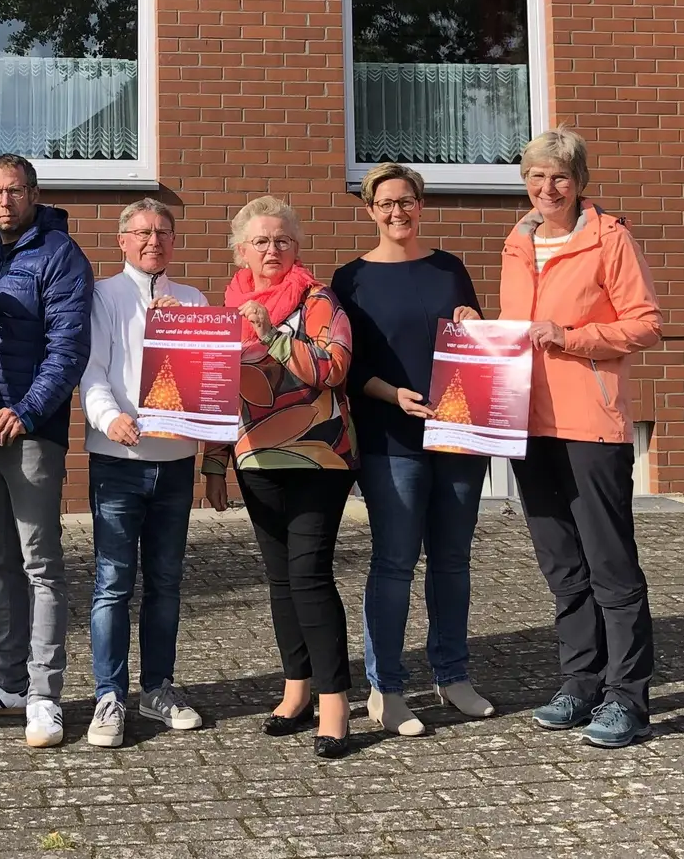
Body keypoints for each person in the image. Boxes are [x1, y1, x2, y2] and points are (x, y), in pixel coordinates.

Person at [500, 128, 663, 749]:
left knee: (610, 564)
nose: (548, 188)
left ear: (579, 183)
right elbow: (518, 328)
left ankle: (628, 697)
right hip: (526, 421)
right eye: (537, 177)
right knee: (562, 566)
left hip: (590, 422)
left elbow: (645, 324)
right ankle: (579, 683)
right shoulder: (516, 242)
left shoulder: (609, 238)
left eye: (560, 177)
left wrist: (570, 336)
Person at [331, 162, 495, 737]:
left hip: (460, 433)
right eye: (385, 204)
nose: (397, 212)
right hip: (392, 437)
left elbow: (472, 344)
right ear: (370, 210)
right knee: (395, 562)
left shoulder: (450, 269)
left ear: (420, 205)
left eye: (406, 201)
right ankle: (388, 687)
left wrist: (475, 321)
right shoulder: (349, 280)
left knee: (452, 560)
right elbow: (347, 369)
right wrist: (392, 395)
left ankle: (452, 676)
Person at [0, 155, 94, 749]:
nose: (3, 201)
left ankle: (44, 694)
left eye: (13, 191)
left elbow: (68, 349)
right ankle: (5, 683)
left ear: (33, 193)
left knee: (40, 564)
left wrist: (27, 411)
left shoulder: (60, 255)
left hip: (29, 429)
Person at [203, 196, 358, 759]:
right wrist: (215, 462)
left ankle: (336, 704)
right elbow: (218, 390)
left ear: (297, 247)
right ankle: (296, 691)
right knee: (280, 580)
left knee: (310, 576)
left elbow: (333, 366)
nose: (272, 250)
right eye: (260, 241)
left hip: (319, 456)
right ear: (240, 250)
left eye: (282, 241)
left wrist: (271, 334)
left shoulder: (319, 299)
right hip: (255, 459)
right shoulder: (229, 304)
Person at [78, 198, 207, 748]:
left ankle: (158, 688)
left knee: (166, 582)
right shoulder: (103, 297)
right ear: (123, 241)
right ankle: (109, 695)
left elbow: (207, 378)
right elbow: (93, 371)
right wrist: (110, 419)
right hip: (119, 459)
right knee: (112, 582)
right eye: (142, 232)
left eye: (163, 232)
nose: (154, 240)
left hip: (176, 462)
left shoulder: (195, 300)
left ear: (173, 241)